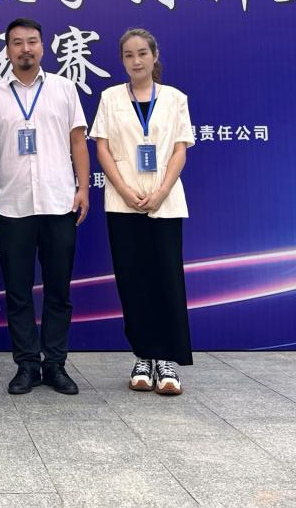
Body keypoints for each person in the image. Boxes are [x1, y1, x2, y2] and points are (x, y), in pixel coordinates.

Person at [0, 18, 90, 396]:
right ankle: (26, 364)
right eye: (17, 43)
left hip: (59, 202)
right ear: (7, 50)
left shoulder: (63, 88)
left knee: (58, 290)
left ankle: (55, 364)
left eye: (32, 42)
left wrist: (83, 188)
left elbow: (78, 142)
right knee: (18, 291)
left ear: (43, 47)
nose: (25, 49)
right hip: (13, 205)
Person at [89, 28, 195, 396]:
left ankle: (166, 360)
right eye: (129, 55)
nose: (136, 61)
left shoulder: (175, 98)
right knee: (132, 281)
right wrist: (123, 189)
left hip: (165, 202)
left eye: (142, 54)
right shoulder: (110, 97)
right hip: (123, 201)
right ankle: (143, 356)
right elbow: (102, 148)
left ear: (154, 56)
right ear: (122, 61)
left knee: (166, 277)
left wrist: (162, 191)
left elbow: (180, 149)